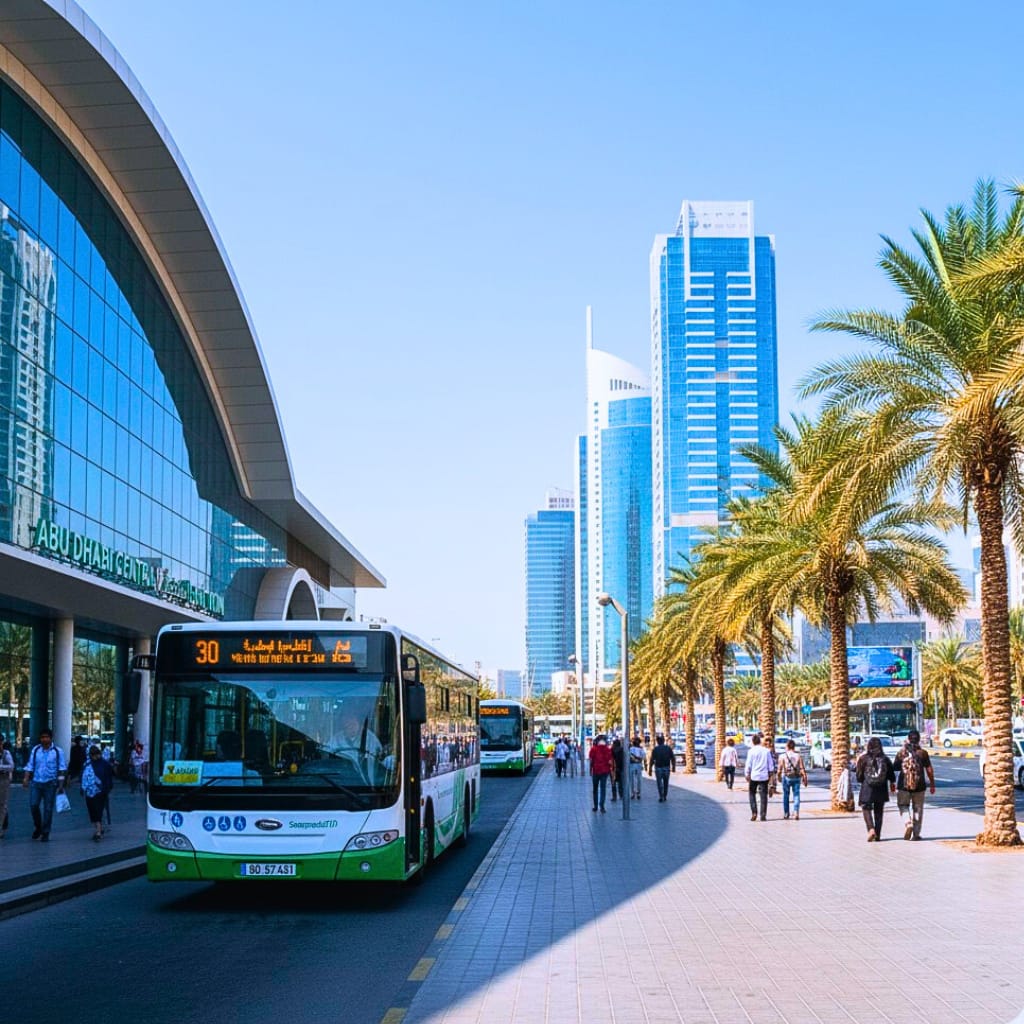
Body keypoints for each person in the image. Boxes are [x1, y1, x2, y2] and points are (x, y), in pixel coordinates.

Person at [21, 728, 67, 841]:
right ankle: (38, 827)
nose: (44, 739)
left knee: (48, 809)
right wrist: (26, 779)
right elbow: (30, 765)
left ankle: (45, 832)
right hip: (36, 782)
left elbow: (62, 769)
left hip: (50, 784)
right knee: (33, 805)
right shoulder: (36, 750)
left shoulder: (57, 751)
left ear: (51, 738)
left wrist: (61, 785)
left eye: (46, 737)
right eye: (42, 737)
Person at [892, 729, 935, 841]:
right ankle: (916, 834)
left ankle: (907, 822)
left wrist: (892, 782)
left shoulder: (901, 752)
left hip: (903, 785)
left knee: (903, 805)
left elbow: (895, 768)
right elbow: (929, 769)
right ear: (919, 740)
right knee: (918, 809)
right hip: (919, 786)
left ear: (908, 739)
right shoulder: (923, 753)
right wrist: (932, 784)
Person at [855, 736, 896, 841]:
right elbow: (891, 774)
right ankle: (877, 834)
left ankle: (871, 829)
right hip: (881, 788)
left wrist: (863, 780)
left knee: (866, 808)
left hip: (867, 788)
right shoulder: (885, 759)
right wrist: (892, 783)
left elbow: (859, 776)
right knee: (879, 811)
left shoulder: (863, 758)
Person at [81, 744, 114, 841]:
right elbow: (83, 776)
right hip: (89, 791)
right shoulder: (87, 764)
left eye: (97, 754)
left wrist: (107, 789)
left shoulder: (105, 764)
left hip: (100, 791)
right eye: (94, 754)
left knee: (98, 810)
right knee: (92, 810)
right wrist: (82, 788)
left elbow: (109, 777)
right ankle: (98, 828)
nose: (96, 756)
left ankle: (98, 831)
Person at [744, 732, 773, 821]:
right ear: (760, 741)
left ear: (753, 742)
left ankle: (754, 812)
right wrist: (770, 774)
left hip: (754, 776)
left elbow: (748, 764)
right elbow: (770, 765)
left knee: (752, 793)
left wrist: (747, 774)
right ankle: (763, 814)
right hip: (764, 776)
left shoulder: (751, 751)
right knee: (763, 795)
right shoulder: (766, 751)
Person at [778, 739, 807, 820]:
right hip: (796, 777)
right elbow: (802, 768)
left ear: (787, 746)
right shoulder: (798, 756)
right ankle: (796, 812)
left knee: (786, 796)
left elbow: (779, 769)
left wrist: (779, 777)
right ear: (794, 747)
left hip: (786, 777)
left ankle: (786, 813)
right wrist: (805, 777)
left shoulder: (782, 756)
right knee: (796, 795)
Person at [647, 733, 676, 802]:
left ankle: (661, 796)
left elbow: (652, 760)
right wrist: (673, 767)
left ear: (657, 741)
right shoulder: (668, 748)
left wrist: (650, 769)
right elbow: (673, 758)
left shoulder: (655, 749)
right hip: (666, 768)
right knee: (666, 783)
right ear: (663, 741)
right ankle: (665, 796)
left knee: (659, 783)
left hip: (658, 768)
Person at [588, 734, 613, 813]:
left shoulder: (593, 749)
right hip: (605, 771)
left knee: (595, 789)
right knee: (603, 789)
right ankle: (602, 806)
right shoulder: (608, 749)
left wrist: (590, 770)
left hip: (595, 771)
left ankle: (595, 806)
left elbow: (591, 760)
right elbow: (610, 761)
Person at [0, 739, 13, 837]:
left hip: (3, 780)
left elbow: (11, 766)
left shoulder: (5, 753)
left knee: (2, 805)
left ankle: (1, 828)